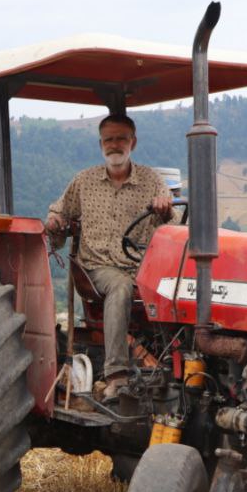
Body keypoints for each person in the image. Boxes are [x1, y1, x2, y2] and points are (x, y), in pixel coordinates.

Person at [45, 113, 173, 402]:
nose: (115, 145)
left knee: (178, 287)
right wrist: (54, 223)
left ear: (133, 142)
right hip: (96, 267)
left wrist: (164, 208)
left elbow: (171, 223)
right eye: (109, 139)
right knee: (120, 286)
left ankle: (174, 364)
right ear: (101, 143)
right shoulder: (85, 181)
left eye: (121, 139)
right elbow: (58, 212)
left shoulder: (151, 181)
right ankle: (117, 375)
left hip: (139, 266)